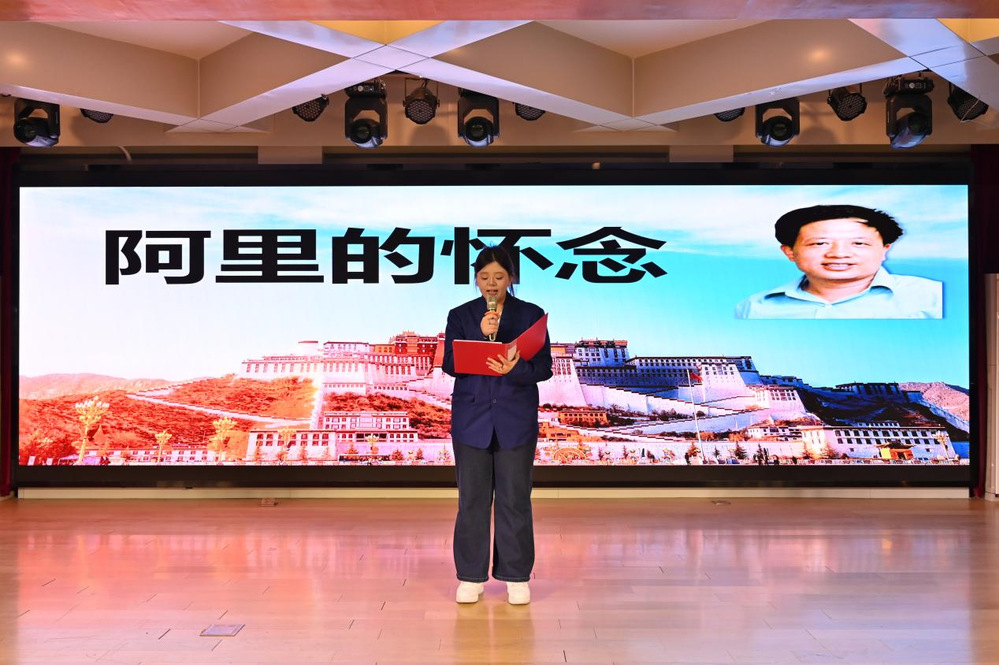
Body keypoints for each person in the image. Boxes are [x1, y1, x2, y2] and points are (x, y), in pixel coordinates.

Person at [441, 245, 553, 605]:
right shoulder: (461, 315)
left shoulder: (531, 315)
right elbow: (450, 364)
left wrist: (515, 368)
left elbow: (544, 368)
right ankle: (470, 576)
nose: (491, 284)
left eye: (499, 277)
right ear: (476, 279)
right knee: (472, 500)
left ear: (511, 278)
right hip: (472, 418)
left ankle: (516, 576)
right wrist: (478, 335)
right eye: (484, 277)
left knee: (515, 499)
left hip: (515, 419)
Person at [735, 204, 942, 319]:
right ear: (790, 252)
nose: (838, 254)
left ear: (884, 250)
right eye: (820, 243)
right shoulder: (754, 307)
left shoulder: (932, 297)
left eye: (858, 243)